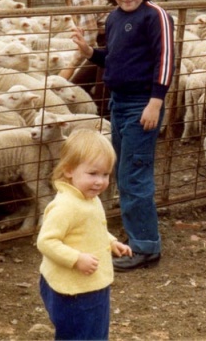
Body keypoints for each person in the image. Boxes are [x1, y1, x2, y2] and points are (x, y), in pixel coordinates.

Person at [71, 0, 175, 271]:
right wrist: (91, 53)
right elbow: (115, 59)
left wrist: (156, 102)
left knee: (134, 175)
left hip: (142, 105)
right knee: (122, 170)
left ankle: (146, 246)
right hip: (118, 103)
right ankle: (134, 234)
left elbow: (166, 59)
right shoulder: (115, 18)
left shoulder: (155, 15)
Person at [37, 129, 132, 340]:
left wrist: (111, 241)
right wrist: (76, 259)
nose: (100, 181)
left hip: (89, 283)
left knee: (91, 332)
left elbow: (91, 228)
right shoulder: (66, 206)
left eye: (105, 174)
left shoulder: (88, 198)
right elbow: (46, 241)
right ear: (69, 170)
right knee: (82, 334)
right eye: (93, 174)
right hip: (76, 289)